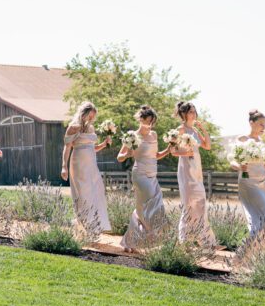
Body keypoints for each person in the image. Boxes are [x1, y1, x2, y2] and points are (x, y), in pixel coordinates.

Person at [118, 105, 172, 250]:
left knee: (145, 208)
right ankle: (153, 236)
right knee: (151, 205)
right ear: (141, 119)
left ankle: (130, 242)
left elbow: (156, 155)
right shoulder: (132, 136)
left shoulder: (153, 135)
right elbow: (120, 157)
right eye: (148, 121)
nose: (150, 125)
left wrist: (168, 149)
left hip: (153, 175)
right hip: (140, 175)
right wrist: (128, 153)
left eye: (152, 122)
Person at [231, 109, 265, 241]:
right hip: (248, 184)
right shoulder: (242, 139)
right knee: (260, 220)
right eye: (261, 124)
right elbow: (232, 161)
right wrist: (239, 167)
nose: (264, 127)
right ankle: (246, 253)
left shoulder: (261, 143)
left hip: (262, 185)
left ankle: (255, 255)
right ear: (251, 123)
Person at [61, 101, 111, 237]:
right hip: (78, 164)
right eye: (90, 116)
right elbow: (67, 147)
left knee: (95, 192)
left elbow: (92, 148)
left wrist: (104, 144)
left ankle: (94, 224)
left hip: (91, 165)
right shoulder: (73, 127)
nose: (91, 119)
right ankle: (85, 226)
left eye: (93, 117)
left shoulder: (91, 128)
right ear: (84, 114)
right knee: (83, 194)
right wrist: (63, 166)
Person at [169, 100, 215, 246]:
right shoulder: (180, 129)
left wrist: (202, 129)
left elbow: (207, 146)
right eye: (191, 111)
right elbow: (173, 151)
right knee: (189, 205)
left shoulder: (194, 130)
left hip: (197, 169)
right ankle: (184, 241)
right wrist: (186, 151)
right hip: (186, 170)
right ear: (183, 114)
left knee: (201, 202)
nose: (194, 114)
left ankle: (204, 239)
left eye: (195, 111)